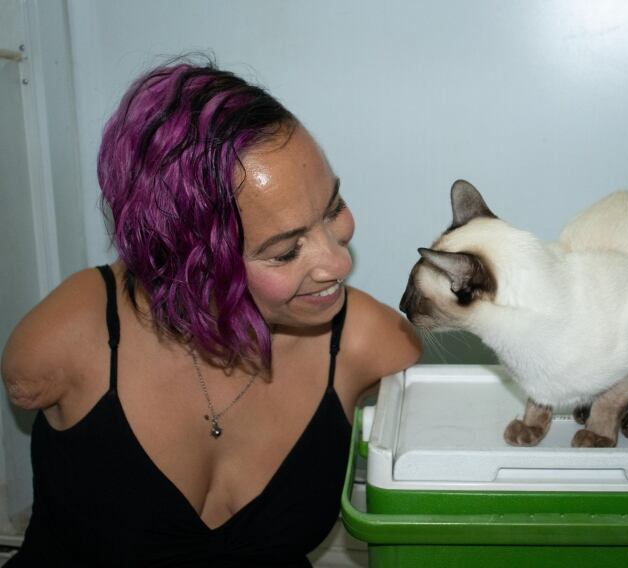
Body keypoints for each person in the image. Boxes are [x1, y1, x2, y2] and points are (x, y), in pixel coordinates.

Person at [1, 59, 421, 567]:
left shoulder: (371, 345)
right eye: (286, 251)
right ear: (190, 263)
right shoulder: (63, 345)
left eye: (332, 209)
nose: (338, 261)